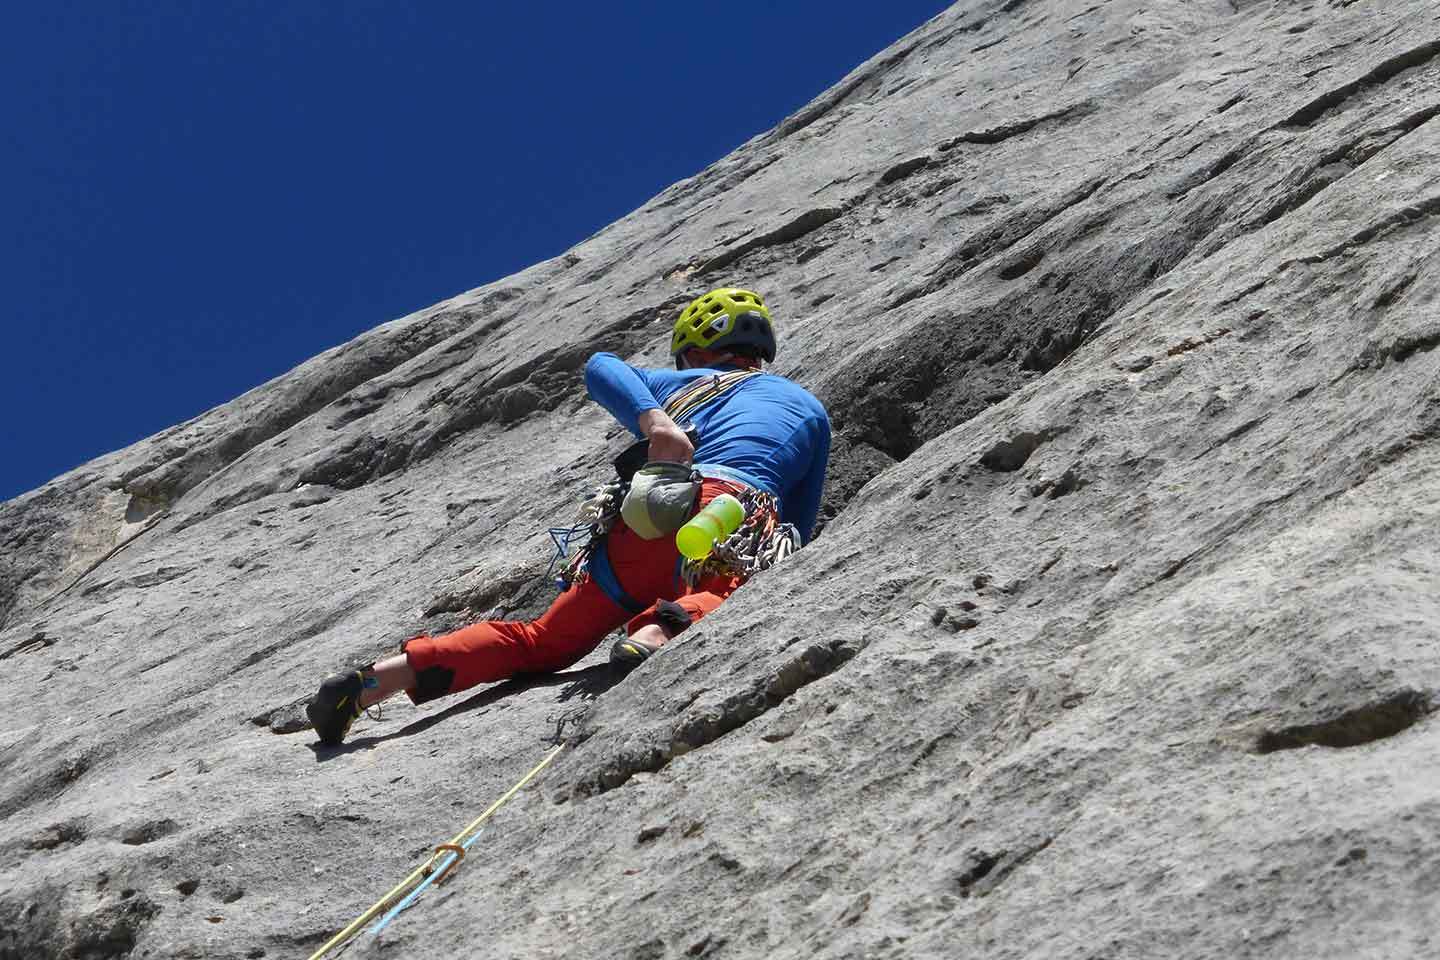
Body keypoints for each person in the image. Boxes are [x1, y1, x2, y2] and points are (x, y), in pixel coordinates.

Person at [306, 287, 831, 745]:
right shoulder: (809, 410)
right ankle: (656, 634)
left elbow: (602, 365)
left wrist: (655, 423)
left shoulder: (684, 386)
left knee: (541, 641)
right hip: (726, 519)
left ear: (695, 350)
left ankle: (378, 680)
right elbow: (798, 531)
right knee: (728, 592)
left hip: (645, 514)